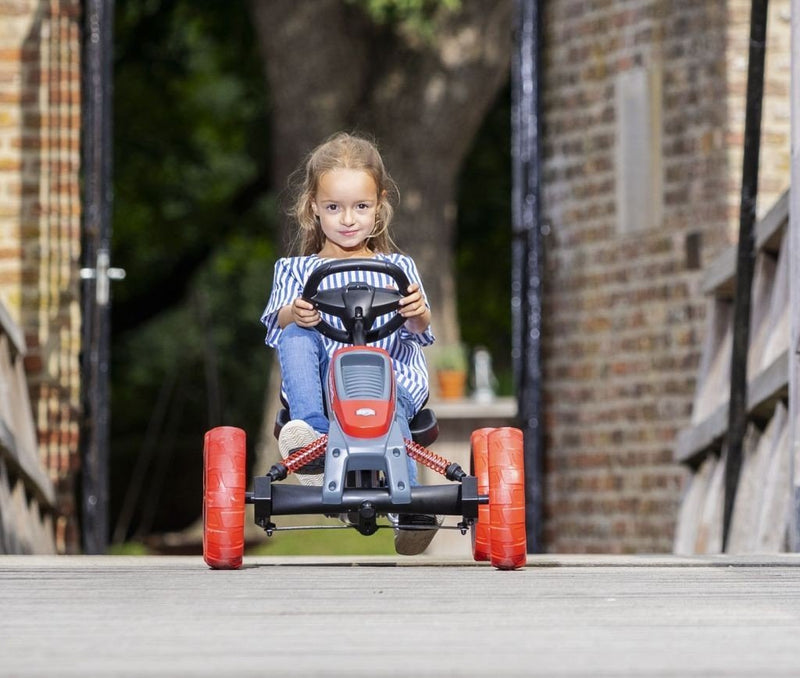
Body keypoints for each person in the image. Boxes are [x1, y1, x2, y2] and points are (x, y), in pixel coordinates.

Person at [260, 132, 440, 555]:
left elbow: (420, 326)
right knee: (295, 330)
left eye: (360, 206)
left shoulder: (397, 266)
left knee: (392, 412)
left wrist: (416, 308)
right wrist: (295, 312)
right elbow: (274, 322)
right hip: (324, 390)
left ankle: (409, 509)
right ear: (313, 209)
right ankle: (312, 439)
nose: (347, 219)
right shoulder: (295, 269)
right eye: (334, 207)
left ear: (379, 207)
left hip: (388, 381)